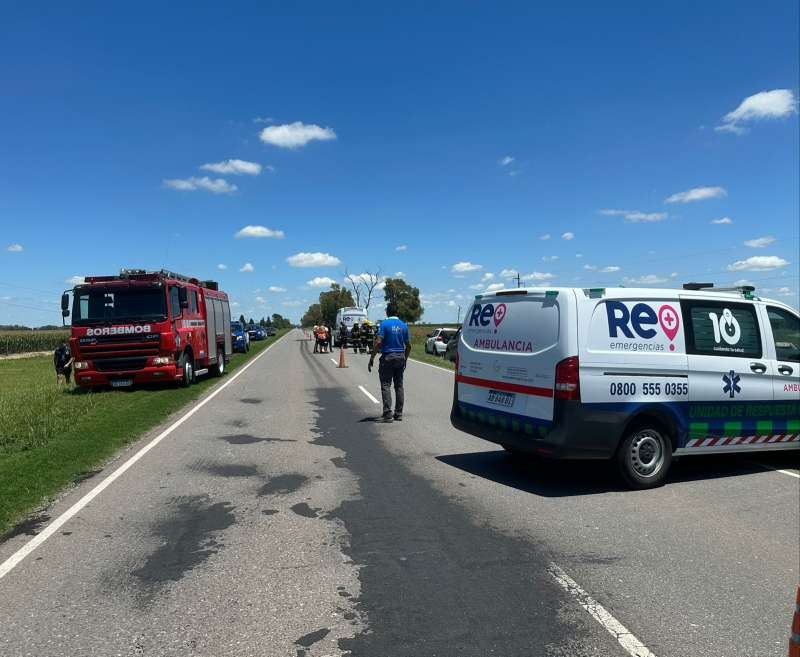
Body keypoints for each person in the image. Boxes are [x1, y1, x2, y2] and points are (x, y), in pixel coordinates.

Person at [368, 303, 411, 422]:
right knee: (399, 385)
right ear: (397, 312)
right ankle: (398, 413)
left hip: (387, 357)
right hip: (400, 357)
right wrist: (405, 359)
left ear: (387, 312)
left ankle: (387, 413)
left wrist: (372, 357)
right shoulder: (404, 326)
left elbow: (378, 343)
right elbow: (408, 346)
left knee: (386, 385)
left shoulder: (384, 324)